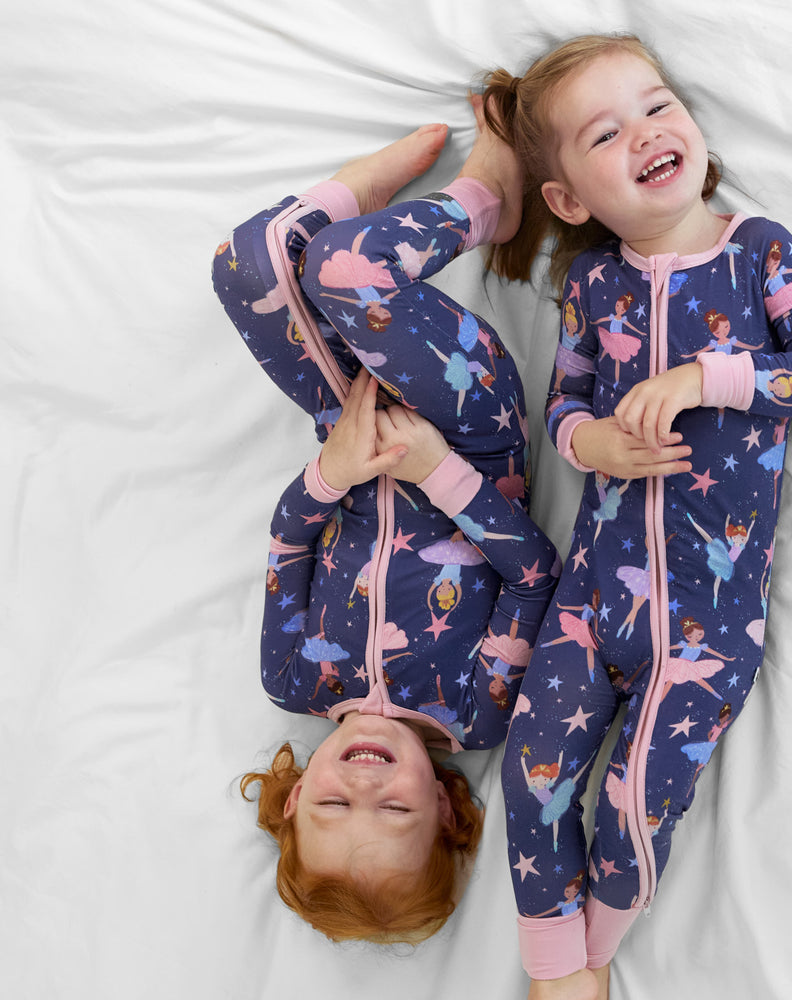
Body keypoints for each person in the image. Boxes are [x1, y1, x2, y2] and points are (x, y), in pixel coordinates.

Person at [480, 33, 792, 999]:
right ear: (570, 201)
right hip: (591, 602)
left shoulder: (756, 251)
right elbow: (562, 406)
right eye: (606, 133)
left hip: (706, 621)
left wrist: (710, 376)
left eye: (656, 105)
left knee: (638, 802)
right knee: (533, 777)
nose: (647, 133)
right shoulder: (593, 288)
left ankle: (590, 955)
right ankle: (553, 962)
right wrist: (590, 445)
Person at [212, 114, 560, 944]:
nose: (365, 785)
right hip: (468, 428)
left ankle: (362, 197)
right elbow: (534, 576)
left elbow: (288, 545)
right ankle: (485, 200)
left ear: (295, 798)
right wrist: (436, 465)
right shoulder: (476, 712)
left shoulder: (293, 681)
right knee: (345, 270)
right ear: (445, 808)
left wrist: (331, 472)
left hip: (348, 427)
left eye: (333, 805)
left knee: (244, 264)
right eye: (396, 808)